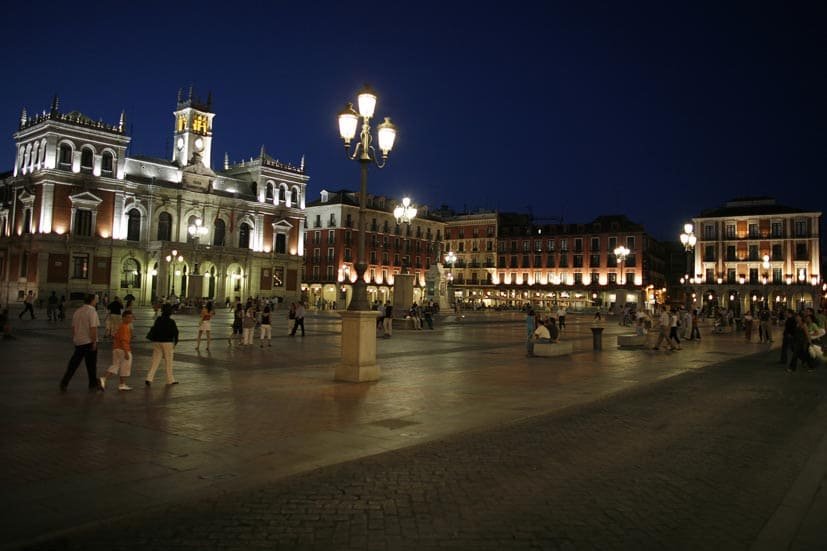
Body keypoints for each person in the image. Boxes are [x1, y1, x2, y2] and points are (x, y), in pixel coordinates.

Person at [60, 294, 101, 392]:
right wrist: (94, 342)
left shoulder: (78, 311)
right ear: (91, 301)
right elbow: (93, 328)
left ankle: (64, 382)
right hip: (89, 341)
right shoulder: (92, 311)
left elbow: (73, 327)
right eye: (96, 300)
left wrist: (75, 338)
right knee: (91, 365)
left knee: (73, 364)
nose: (97, 302)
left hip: (79, 341)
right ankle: (92, 384)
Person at [99, 310, 134, 391]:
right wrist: (126, 352)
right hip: (123, 349)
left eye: (131, 317)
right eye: (128, 317)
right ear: (123, 318)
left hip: (116, 348)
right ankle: (122, 384)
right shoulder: (125, 327)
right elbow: (123, 340)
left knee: (115, 366)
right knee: (125, 367)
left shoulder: (121, 326)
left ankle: (104, 378)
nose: (130, 319)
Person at [146, 303, 179, 386]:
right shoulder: (171, 321)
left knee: (155, 360)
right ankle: (170, 379)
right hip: (167, 342)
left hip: (157, 342)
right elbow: (175, 332)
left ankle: (149, 378)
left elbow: (154, 329)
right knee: (168, 361)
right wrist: (175, 342)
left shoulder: (158, 319)